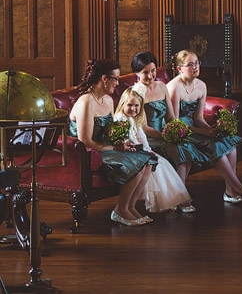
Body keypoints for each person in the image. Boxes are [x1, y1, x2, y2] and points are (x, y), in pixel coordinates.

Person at [166, 50, 242, 203]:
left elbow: (198, 117)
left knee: (229, 144)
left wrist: (210, 130)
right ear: (179, 69)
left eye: (197, 63)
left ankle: (230, 191)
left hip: (193, 126)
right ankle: (240, 188)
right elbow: (175, 122)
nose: (196, 67)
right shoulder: (174, 88)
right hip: (178, 131)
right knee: (213, 147)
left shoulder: (201, 86)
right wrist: (204, 133)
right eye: (190, 64)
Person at [69, 59, 157, 226]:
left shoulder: (108, 100)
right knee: (137, 163)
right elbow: (85, 141)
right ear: (104, 78)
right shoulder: (86, 102)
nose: (117, 83)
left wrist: (122, 142)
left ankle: (130, 207)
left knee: (148, 160)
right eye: (115, 79)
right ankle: (120, 210)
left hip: (106, 148)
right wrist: (115, 147)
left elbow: (111, 130)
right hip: (90, 153)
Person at [131, 51, 205, 213]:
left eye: (153, 71)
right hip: (147, 136)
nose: (150, 76)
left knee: (187, 147)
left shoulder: (162, 86)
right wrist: (164, 137)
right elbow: (142, 127)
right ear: (136, 74)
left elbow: (171, 117)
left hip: (163, 133)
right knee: (176, 149)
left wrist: (177, 132)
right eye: (145, 73)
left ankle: (178, 195)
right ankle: (180, 198)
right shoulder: (135, 93)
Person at [113, 86, 193, 213]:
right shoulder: (120, 118)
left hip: (141, 150)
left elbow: (142, 136)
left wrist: (148, 149)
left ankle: (175, 199)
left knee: (162, 163)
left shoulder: (135, 119)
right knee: (156, 166)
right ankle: (131, 207)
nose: (133, 109)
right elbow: (130, 138)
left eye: (136, 106)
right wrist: (144, 151)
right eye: (130, 105)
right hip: (129, 151)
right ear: (123, 104)